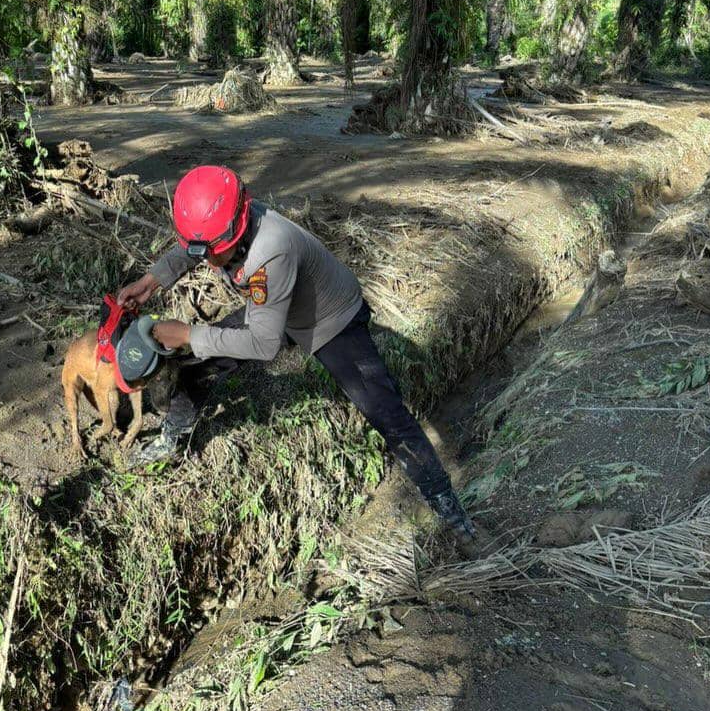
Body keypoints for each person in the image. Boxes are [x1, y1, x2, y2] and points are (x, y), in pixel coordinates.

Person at [117, 165, 475, 539]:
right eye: (200, 250)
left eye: (212, 253)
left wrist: (190, 333)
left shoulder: (270, 251)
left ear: (235, 234)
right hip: (276, 308)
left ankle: (448, 508)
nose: (205, 260)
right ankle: (173, 435)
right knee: (198, 362)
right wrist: (151, 282)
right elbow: (194, 246)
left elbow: (263, 343)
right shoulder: (227, 225)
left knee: (388, 416)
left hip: (331, 320)